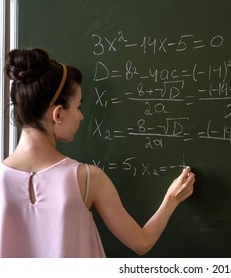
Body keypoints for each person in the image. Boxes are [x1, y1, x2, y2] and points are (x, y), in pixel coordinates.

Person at [0, 48, 195, 258]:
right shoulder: (87, 178)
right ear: (58, 114)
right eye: (78, 107)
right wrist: (171, 198)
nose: (81, 117)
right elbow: (142, 242)